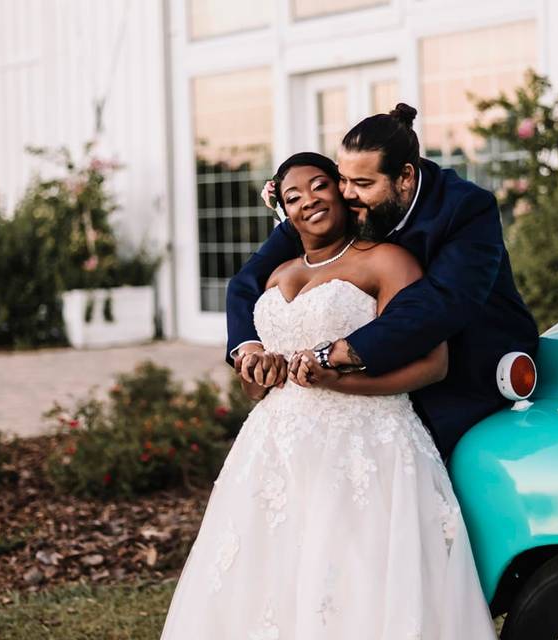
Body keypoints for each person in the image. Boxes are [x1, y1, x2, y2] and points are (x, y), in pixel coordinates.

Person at [159, 152, 498, 639]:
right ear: (283, 209)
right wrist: (260, 365)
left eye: (319, 186)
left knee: (358, 577)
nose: (308, 201)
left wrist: (340, 380)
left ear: (342, 189)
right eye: (293, 196)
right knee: (274, 577)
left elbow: (433, 364)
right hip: (277, 451)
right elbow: (256, 389)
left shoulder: (387, 260)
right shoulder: (274, 275)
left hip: (367, 448)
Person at [227, 103, 539, 464]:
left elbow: (441, 303)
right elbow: (245, 283)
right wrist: (248, 349)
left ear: (405, 177)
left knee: (440, 475)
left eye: (362, 184)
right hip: (370, 379)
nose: (346, 194)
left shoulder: (466, 209)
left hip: (469, 370)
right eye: (342, 179)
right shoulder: (340, 206)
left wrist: (336, 353)